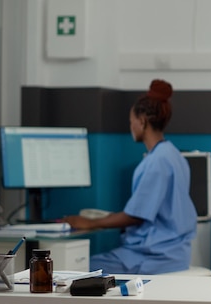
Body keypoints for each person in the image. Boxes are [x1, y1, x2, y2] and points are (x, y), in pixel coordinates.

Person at [63, 79, 197, 275]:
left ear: (142, 121)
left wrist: (90, 222)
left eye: (131, 121)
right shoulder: (174, 155)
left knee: (78, 269)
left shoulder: (156, 161)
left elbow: (136, 215)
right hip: (176, 253)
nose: (131, 127)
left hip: (152, 257)